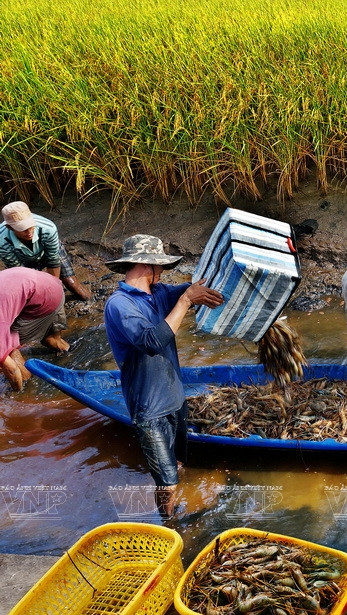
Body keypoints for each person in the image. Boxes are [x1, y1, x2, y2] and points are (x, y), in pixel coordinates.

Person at [103, 234, 224, 517]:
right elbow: (151, 342)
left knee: (179, 462)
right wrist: (184, 302)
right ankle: (167, 521)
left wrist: (200, 290)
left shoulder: (157, 293)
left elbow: (191, 291)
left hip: (175, 397)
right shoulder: (120, 305)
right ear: (147, 266)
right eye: (161, 267)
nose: (163, 273)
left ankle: (185, 502)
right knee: (166, 482)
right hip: (150, 408)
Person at [0, 201, 92, 301]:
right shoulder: (1, 240)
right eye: (23, 229)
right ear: (9, 227)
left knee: (72, 284)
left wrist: (55, 287)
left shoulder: (48, 228)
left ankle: (89, 299)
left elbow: (52, 260)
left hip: (46, 250)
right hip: (22, 259)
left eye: (30, 226)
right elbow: (20, 272)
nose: (29, 232)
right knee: (35, 294)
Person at [0, 267, 70, 391]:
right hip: (51, 285)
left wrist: (17, 393)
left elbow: (11, 368)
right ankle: (68, 353)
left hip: (44, 300)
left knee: (9, 349)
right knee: (50, 341)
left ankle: (27, 386)